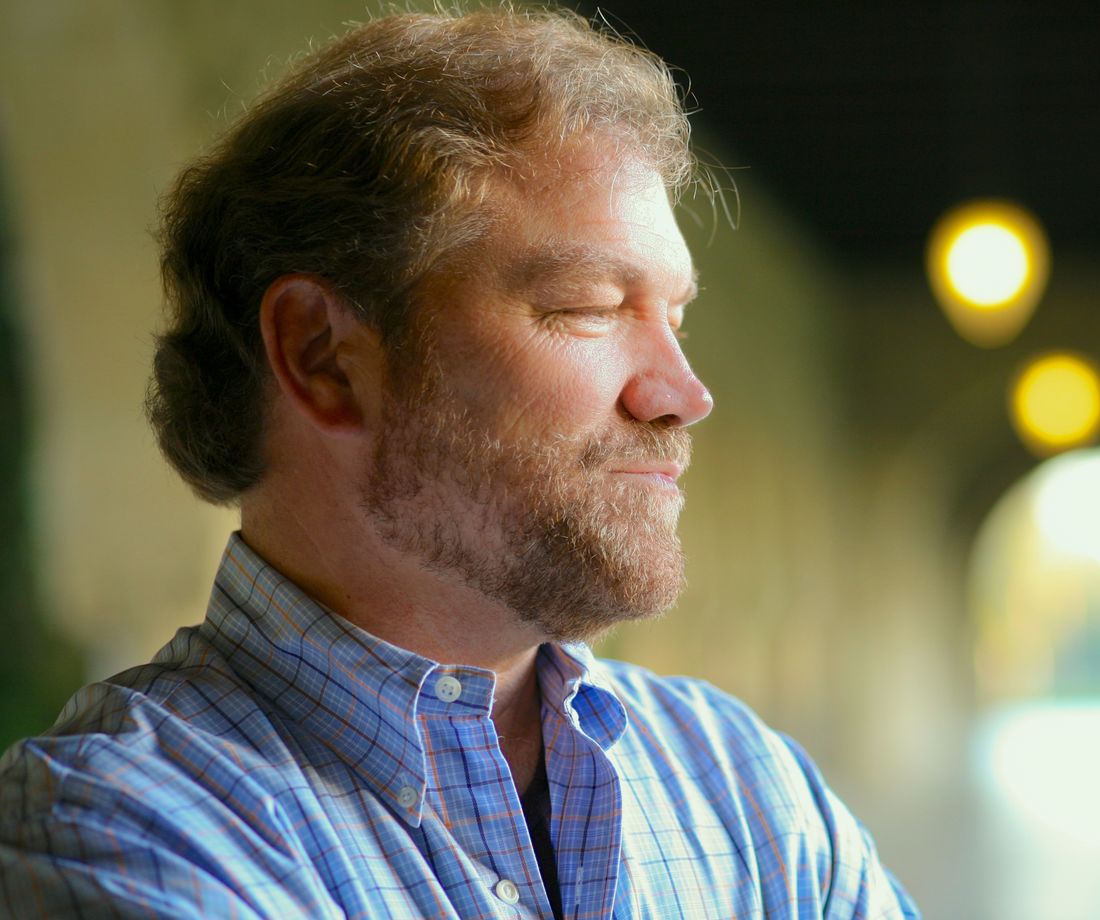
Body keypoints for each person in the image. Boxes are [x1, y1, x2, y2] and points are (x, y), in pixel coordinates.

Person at [0, 8, 919, 918]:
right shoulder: (123, 828)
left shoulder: (745, 784)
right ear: (324, 358)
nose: (683, 394)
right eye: (589, 307)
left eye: (674, 318)